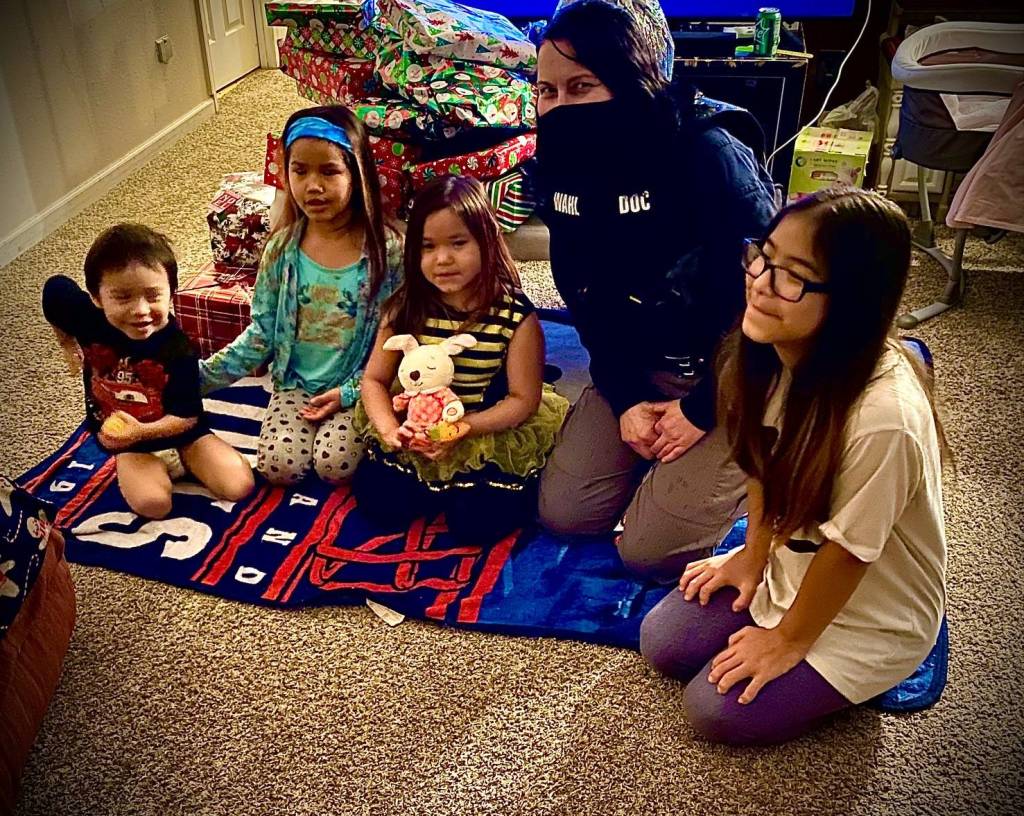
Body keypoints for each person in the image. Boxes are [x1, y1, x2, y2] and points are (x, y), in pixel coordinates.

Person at [639, 187, 949, 745]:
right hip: (795, 556)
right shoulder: (769, 349)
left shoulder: (884, 420)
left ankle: (835, 644)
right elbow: (762, 462)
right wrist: (752, 557)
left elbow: (851, 551)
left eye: (793, 276)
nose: (760, 282)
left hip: (867, 606)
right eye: (764, 255)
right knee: (664, 642)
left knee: (717, 712)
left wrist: (788, 640)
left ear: (852, 300)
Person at [531, 0, 777, 580]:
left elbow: (772, 312)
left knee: (648, 551)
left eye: (581, 85)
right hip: (641, 363)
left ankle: (766, 456)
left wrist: (701, 409)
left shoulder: (708, 155)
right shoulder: (559, 165)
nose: (559, 105)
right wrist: (623, 398)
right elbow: (582, 295)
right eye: (546, 91)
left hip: (737, 371)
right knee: (567, 515)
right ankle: (668, 458)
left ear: (632, 80)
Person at [353, 176, 569, 545]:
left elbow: (523, 400)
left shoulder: (515, 317)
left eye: (458, 243)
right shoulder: (406, 308)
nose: (443, 259)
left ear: (485, 242)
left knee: (476, 526)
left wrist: (462, 429)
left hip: (480, 425)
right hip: (416, 428)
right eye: (427, 247)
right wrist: (391, 430)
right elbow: (373, 380)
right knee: (379, 504)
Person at [200, 105, 403, 486]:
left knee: (334, 464)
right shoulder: (281, 250)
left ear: (356, 175)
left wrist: (349, 392)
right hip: (295, 384)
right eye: (300, 171)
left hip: (357, 386)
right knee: (281, 467)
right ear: (285, 172)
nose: (313, 185)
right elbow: (259, 334)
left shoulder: (387, 251)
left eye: (329, 171)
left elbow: (396, 340)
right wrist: (197, 379)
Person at [42, 224, 254, 519]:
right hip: (131, 446)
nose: (141, 310)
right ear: (96, 297)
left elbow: (186, 416)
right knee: (154, 506)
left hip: (182, 433)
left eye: (153, 295)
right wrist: (66, 344)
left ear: (171, 293)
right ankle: (135, 464)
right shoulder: (85, 317)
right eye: (123, 297)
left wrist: (140, 430)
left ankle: (185, 459)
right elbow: (55, 288)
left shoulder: (177, 346)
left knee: (239, 485)